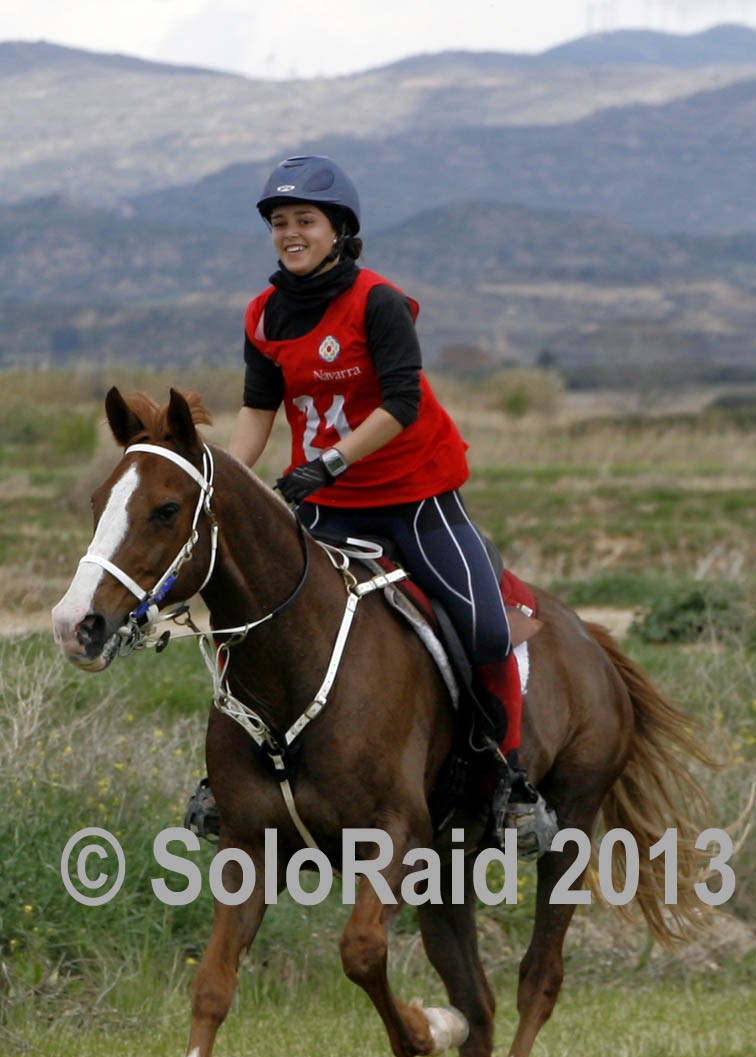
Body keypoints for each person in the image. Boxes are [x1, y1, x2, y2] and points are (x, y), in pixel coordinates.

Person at [222, 153, 557, 858]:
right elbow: (258, 413)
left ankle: (511, 782)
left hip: (414, 496)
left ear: (339, 229)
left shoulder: (377, 301)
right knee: (247, 618)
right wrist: (220, 476)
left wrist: (330, 460)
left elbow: (402, 403)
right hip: (325, 500)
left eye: (304, 221)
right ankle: (223, 779)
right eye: (280, 222)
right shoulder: (262, 314)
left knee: (485, 627)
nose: (290, 232)